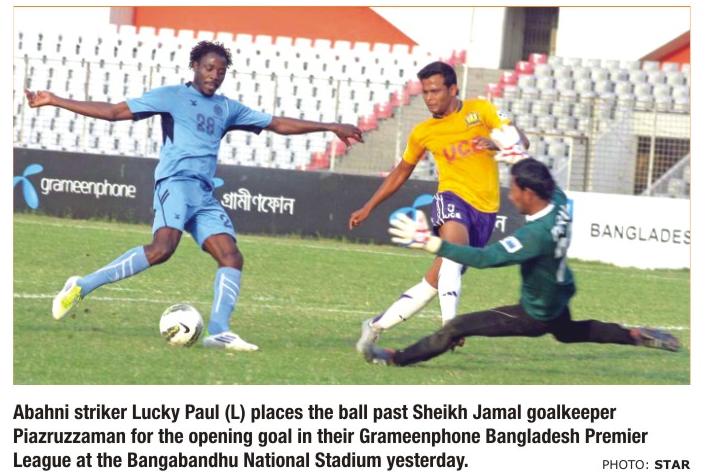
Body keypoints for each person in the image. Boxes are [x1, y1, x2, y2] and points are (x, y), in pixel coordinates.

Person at [25, 40, 363, 351]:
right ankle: (82, 285)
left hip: (203, 193)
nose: (215, 75)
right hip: (174, 183)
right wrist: (55, 99)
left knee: (231, 256)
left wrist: (330, 126)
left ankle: (219, 330)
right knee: (162, 249)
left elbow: (277, 124)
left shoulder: (227, 108)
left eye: (221, 71)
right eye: (209, 68)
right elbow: (114, 112)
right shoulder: (171, 96)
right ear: (195, 67)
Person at [364, 158, 680, 366]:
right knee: (568, 332)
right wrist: (516, 154)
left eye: (514, 190)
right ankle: (635, 335)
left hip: (536, 312)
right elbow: (547, 180)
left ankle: (395, 358)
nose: (511, 196)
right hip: (559, 293)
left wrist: (430, 241)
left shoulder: (535, 236)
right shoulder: (559, 203)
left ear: (529, 192)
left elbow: (484, 258)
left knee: (457, 327)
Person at [349, 60, 528, 355]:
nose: (429, 98)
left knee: (435, 280)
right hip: (451, 198)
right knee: (454, 251)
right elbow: (402, 171)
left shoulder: (481, 109)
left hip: (485, 210)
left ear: (453, 89)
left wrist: (496, 143)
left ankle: (376, 325)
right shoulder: (423, 132)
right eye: (425, 92)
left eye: (435, 91)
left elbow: (523, 141)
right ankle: (450, 327)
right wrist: (369, 206)